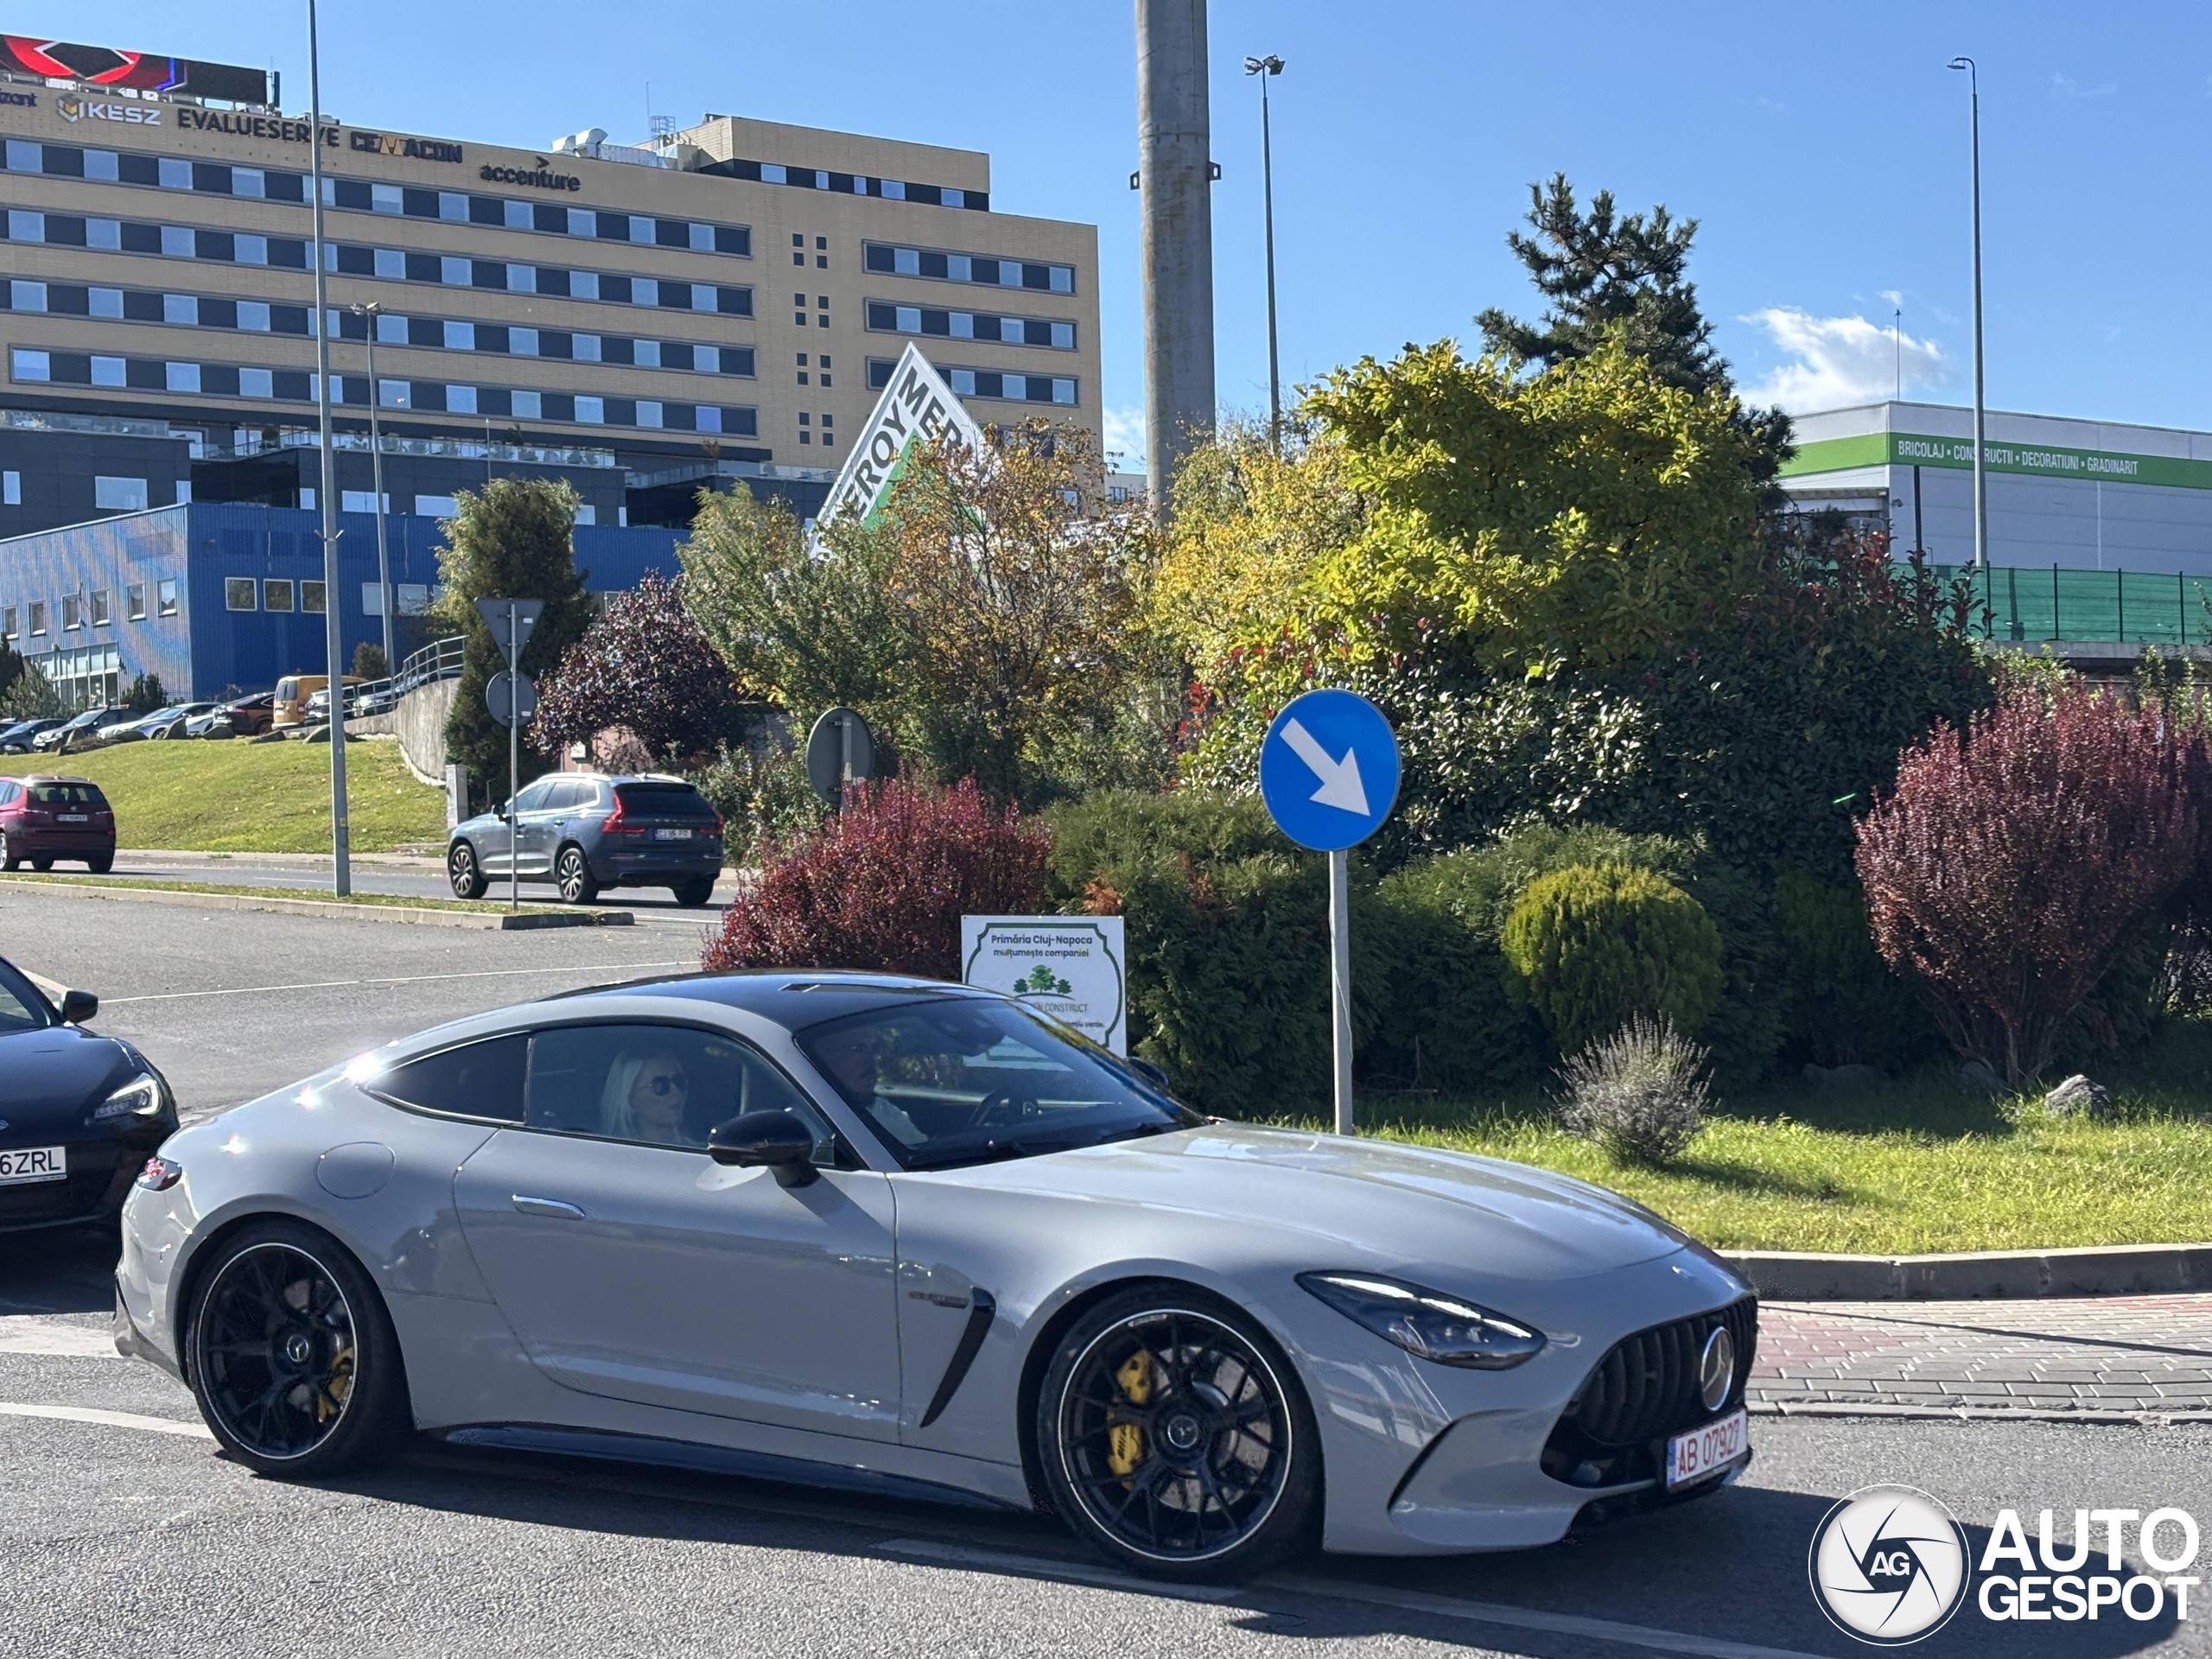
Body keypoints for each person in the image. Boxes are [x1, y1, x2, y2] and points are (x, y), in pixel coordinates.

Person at [600, 1047, 693, 1145]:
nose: (675, 1091)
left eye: (679, 1081)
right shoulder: (615, 1155)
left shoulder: (703, 1152)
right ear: (629, 1100)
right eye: (660, 1085)